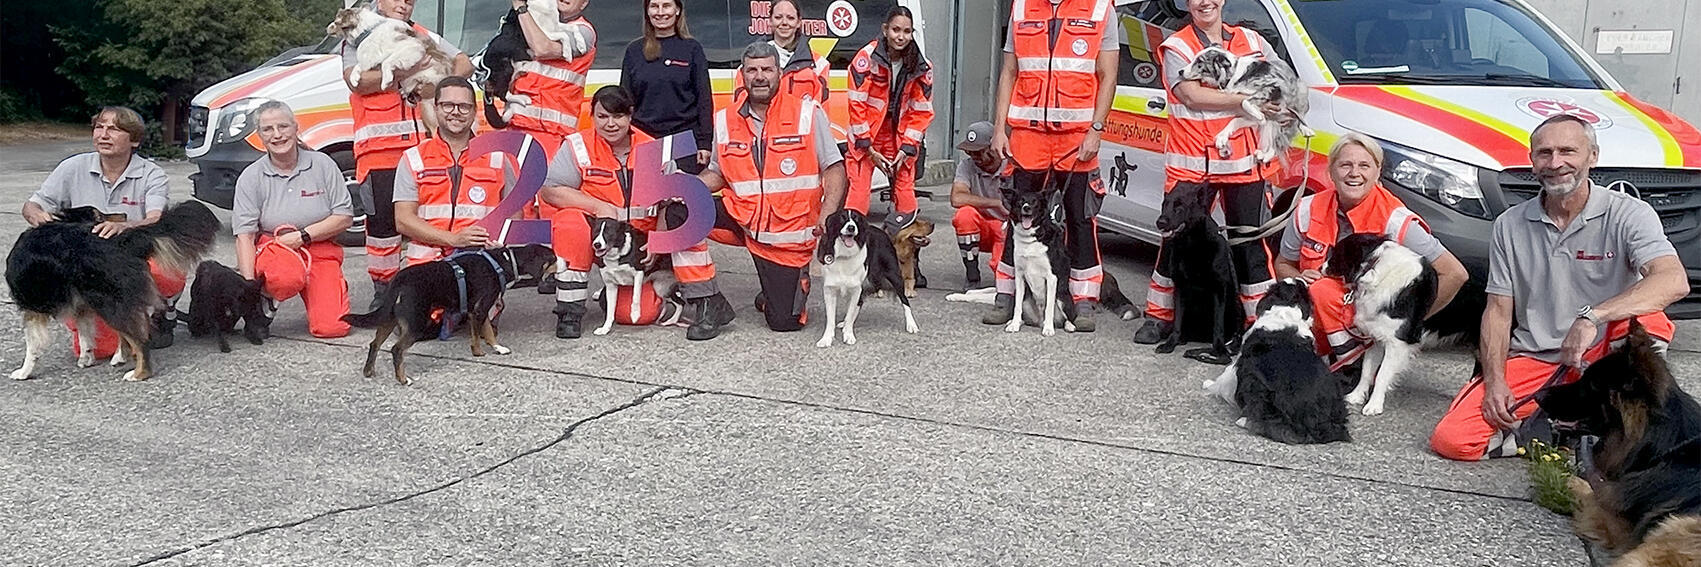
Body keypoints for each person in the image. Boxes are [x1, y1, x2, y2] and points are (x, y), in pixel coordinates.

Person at [1429, 114, 1689, 461]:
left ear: (1592, 156)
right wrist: (1495, 382)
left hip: (1605, 357)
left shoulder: (1629, 213)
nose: (1555, 163)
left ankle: (1634, 419)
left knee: (1649, 320)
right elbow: (1498, 312)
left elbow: (1672, 280)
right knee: (1453, 441)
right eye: (1544, 153)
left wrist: (1591, 317)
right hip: (1538, 356)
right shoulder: (1510, 225)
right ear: (1532, 160)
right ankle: (1559, 434)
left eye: (1568, 151)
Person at [1134, 0, 1280, 344]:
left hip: (1244, 162)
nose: (1205, 2)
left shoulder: (1253, 40)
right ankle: (1159, 317)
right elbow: (1191, 95)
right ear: (1186, 4)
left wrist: (1277, 103)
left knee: (1250, 246)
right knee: (1174, 240)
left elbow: (1278, 81)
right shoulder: (1178, 46)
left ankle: (1261, 323)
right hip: (1192, 163)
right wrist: (1247, 100)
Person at [541, 86, 734, 340]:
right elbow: (551, 190)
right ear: (592, 116)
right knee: (569, 222)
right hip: (599, 239)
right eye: (602, 116)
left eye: (618, 116)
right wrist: (599, 208)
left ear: (630, 115)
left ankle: (685, 298)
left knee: (636, 315)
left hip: (639, 249)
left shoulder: (652, 149)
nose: (610, 124)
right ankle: (570, 312)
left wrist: (659, 240)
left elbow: (671, 199)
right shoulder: (578, 146)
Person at [985, 0, 1121, 332]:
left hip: (1076, 136)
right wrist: (1000, 128)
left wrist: (1096, 129)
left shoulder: (1100, 9)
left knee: (1081, 219)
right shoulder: (1021, 7)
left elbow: (1108, 75)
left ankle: (1083, 300)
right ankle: (1006, 296)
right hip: (1028, 135)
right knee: (1017, 216)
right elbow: (1009, 72)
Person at [1274, 133, 1468, 364]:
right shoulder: (1307, 209)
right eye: (1345, 165)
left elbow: (1455, 273)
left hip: (1366, 329)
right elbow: (1282, 264)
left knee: (1323, 290)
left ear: (1378, 173)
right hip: (1314, 324)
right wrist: (1299, 277)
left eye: (1364, 166)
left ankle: (1350, 364)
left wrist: (1409, 322)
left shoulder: (1395, 220)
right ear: (1331, 172)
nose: (1354, 173)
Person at [699, 41, 849, 332]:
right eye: (752, 70)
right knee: (681, 212)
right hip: (741, 217)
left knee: (784, 323)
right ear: (742, 75)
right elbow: (717, 173)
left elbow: (834, 168)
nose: (759, 77)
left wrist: (828, 213)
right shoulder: (725, 119)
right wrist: (687, 189)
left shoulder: (808, 113)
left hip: (785, 238)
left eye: (767, 70)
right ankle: (706, 299)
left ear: (780, 73)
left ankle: (782, 289)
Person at [343, 0, 474, 307]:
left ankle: (432, 286)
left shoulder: (419, 32)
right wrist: (412, 68)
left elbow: (464, 63)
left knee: (431, 219)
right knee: (383, 226)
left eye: (410, 1)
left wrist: (438, 87)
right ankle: (384, 290)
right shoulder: (358, 34)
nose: (404, 5)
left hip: (425, 149)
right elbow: (359, 82)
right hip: (380, 150)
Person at [23, 106, 179, 353]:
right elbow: (31, 206)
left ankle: (159, 312)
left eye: (114, 129)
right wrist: (38, 216)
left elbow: (155, 219)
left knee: (166, 269)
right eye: (99, 127)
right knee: (99, 350)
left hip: (131, 253)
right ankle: (111, 315)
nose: (104, 135)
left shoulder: (152, 174)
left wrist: (125, 226)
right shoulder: (72, 167)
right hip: (88, 263)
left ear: (135, 140)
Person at [231, 101, 355, 339]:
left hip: (319, 249)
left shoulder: (323, 164)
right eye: (268, 129)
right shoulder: (251, 176)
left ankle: (330, 291)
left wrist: (303, 236)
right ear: (260, 136)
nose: (277, 135)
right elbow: (244, 236)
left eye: (283, 126)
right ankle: (265, 301)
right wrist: (248, 285)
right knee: (285, 277)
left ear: (296, 128)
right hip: (276, 249)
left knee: (332, 328)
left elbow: (344, 217)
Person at [392, 78, 513, 267]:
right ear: (436, 108)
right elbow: (403, 220)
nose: (456, 112)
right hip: (426, 268)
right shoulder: (414, 158)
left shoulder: (497, 158)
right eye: (448, 105)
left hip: (480, 266)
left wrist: (500, 239)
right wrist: (453, 239)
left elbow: (513, 214)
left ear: (474, 111)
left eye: (464, 106)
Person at [845, 6, 933, 229]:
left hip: (899, 135)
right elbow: (856, 105)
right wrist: (868, 148)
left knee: (905, 190)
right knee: (859, 191)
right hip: (868, 134)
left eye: (907, 31)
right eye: (896, 30)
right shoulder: (866, 59)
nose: (901, 36)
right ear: (885, 30)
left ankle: (906, 241)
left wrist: (907, 147)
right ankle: (852, 240)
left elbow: (921, 111)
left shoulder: (921, 66)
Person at [620, 0, 713, 174]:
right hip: (645, 138)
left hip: (684, 139)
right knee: (647, 191)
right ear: (647, 11)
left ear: (677, 10)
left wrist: (704, 143)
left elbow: (704, 100)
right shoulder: (634, 50)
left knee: (680, 191)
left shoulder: (692, 48)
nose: (660, 12)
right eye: (654, 6)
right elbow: (625, 101)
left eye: (666, 6)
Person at [507, 0, 596, 157]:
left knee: (546, 174)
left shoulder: (583, 32)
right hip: (516, 127)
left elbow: (543, 49)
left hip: (552, 134)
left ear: (584, 3)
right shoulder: (528, 23)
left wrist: (520, 8)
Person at [950, 121, 1009, 288]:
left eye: (978, 152)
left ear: (994, 148)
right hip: (982, 228)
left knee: (1002, 278)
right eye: (969, 152)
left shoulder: (1011, 166)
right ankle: (972, 276)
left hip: (1007, 229)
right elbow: (957, 198)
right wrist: (996, 203)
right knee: (964, 215)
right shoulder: (967, 165)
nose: (973, 157)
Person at [762, 0, 830, 103]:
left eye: (790, 18)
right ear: (770, 21)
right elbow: (742, 107)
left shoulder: (818, 65)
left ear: (799, 22)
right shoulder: (752, 60)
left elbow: (821, 109)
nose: (784, 22)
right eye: (778, 17)